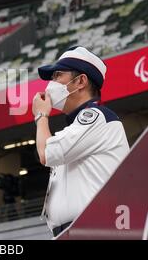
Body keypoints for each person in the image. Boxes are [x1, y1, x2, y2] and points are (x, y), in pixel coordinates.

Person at [32, 46, 130, 238]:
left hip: (95, 229)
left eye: (58, 75)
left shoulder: (97, 116)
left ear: (81, 81)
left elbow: (46, 153)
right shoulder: (77, 127)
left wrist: (41, 115)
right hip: (73, 231)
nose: (51, 84)